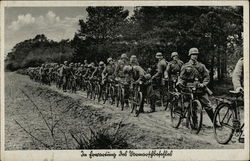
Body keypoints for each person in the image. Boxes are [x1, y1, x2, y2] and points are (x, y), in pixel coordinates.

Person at [177, 47, 215, 124]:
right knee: (191, 105)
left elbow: (207, 77)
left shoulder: (201, 66)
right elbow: (182, 78)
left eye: (196, 54)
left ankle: (214, 122)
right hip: (189, 88)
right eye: (193, 54)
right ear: (190, 55)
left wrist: (204, 84)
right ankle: (194, 122)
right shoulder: (185, 66)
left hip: (200, 88)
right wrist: (180, 83)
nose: (195, 56)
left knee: (208, 105)